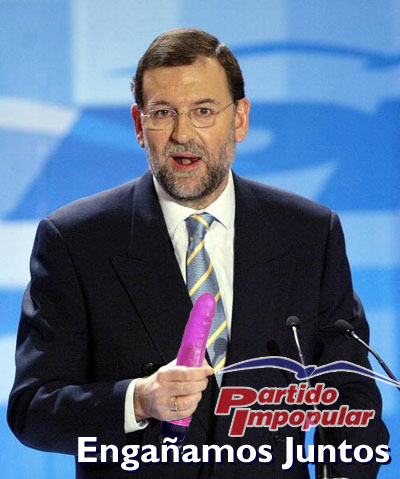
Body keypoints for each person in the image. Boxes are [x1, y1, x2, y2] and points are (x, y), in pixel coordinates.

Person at [8, 28, 389, 478]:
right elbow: (33, 408)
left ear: (240, 119)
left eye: (203, 111)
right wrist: (138, 400)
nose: (182, 134)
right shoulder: (76, 240)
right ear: (139, 125)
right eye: (163, 113)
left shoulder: (308, 233)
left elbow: (350, 395)